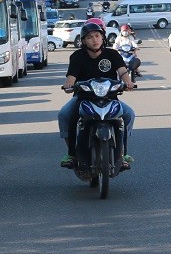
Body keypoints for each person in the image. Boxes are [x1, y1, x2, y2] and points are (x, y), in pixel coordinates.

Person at [58, 21, 136, 170]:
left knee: (129, 114)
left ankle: (123, 153)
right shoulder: (77, 56)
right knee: (64, 114)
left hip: (110, 98)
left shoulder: (112, 54)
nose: (94, 40)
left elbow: (123, 72)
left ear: (103, 38)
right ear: (83, 41)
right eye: (89, 37)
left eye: (97, 35)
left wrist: (128, 83)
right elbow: (71, 78)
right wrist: (69, 85)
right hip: (83, 99)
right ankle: (71, 154)